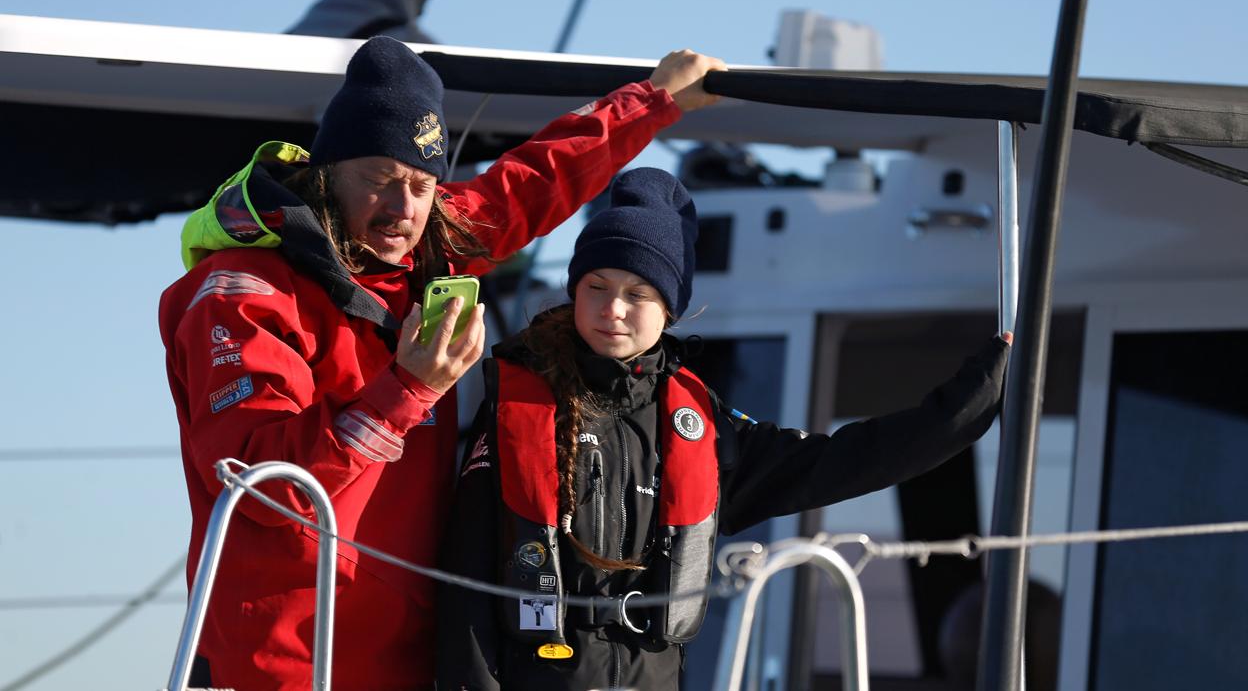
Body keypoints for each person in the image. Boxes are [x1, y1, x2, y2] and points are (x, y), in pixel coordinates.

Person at [158, 36, 724, 691]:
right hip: (275, 663)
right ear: (326, 173)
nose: (403, 210)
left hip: (410, 658)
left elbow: (528, 186)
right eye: (378, 182)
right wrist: (409, 390)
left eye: (422, 186)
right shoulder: (242, 294)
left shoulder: (423, 247)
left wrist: (649, 104)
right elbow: (267, 489)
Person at [435, 168, 1012, 691]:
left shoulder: (699, 426)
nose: (613, 308)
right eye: (597, 287)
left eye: (637, 293)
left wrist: (970, 405)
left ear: (671, 311)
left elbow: (846, 461)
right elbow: (466, 576)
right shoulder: (511, 401)